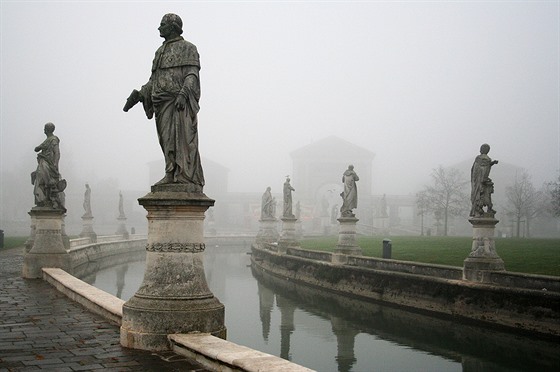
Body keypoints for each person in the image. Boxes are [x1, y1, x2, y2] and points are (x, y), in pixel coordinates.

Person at [124, 13, 204, 190]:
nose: (159, 28)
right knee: (166, 140)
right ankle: (170, 172)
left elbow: (192, 74)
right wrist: (140, 93)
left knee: (182, 140)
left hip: (179, 102)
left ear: (173, 27)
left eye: (162, 25)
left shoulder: (188, 48)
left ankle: (183, 176)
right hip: (161, 104)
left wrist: (184, 93)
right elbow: (155, 79)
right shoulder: (159, 51)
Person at [31, 122, 66, 211]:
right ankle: (42, 201)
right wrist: (39, 147)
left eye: (44, 128)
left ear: (47, 130)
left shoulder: (53, 140)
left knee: (48, 182)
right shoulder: (47, 140)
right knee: (40, 182)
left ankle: (50, 201)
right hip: (43, 162)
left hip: (48, 163)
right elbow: (37, 148)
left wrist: (55, 164)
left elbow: (57, 153)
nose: (43, 130)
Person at [470, 144, 498, 217]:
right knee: (479, 194)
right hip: (479, 181)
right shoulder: (479, 158)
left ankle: (488, 208)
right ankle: (478, 209)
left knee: (486, 194)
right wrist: (482, 178)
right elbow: (478, 169)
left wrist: (492, 163)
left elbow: (485, 166)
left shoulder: (485, 159)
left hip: (483, 180)